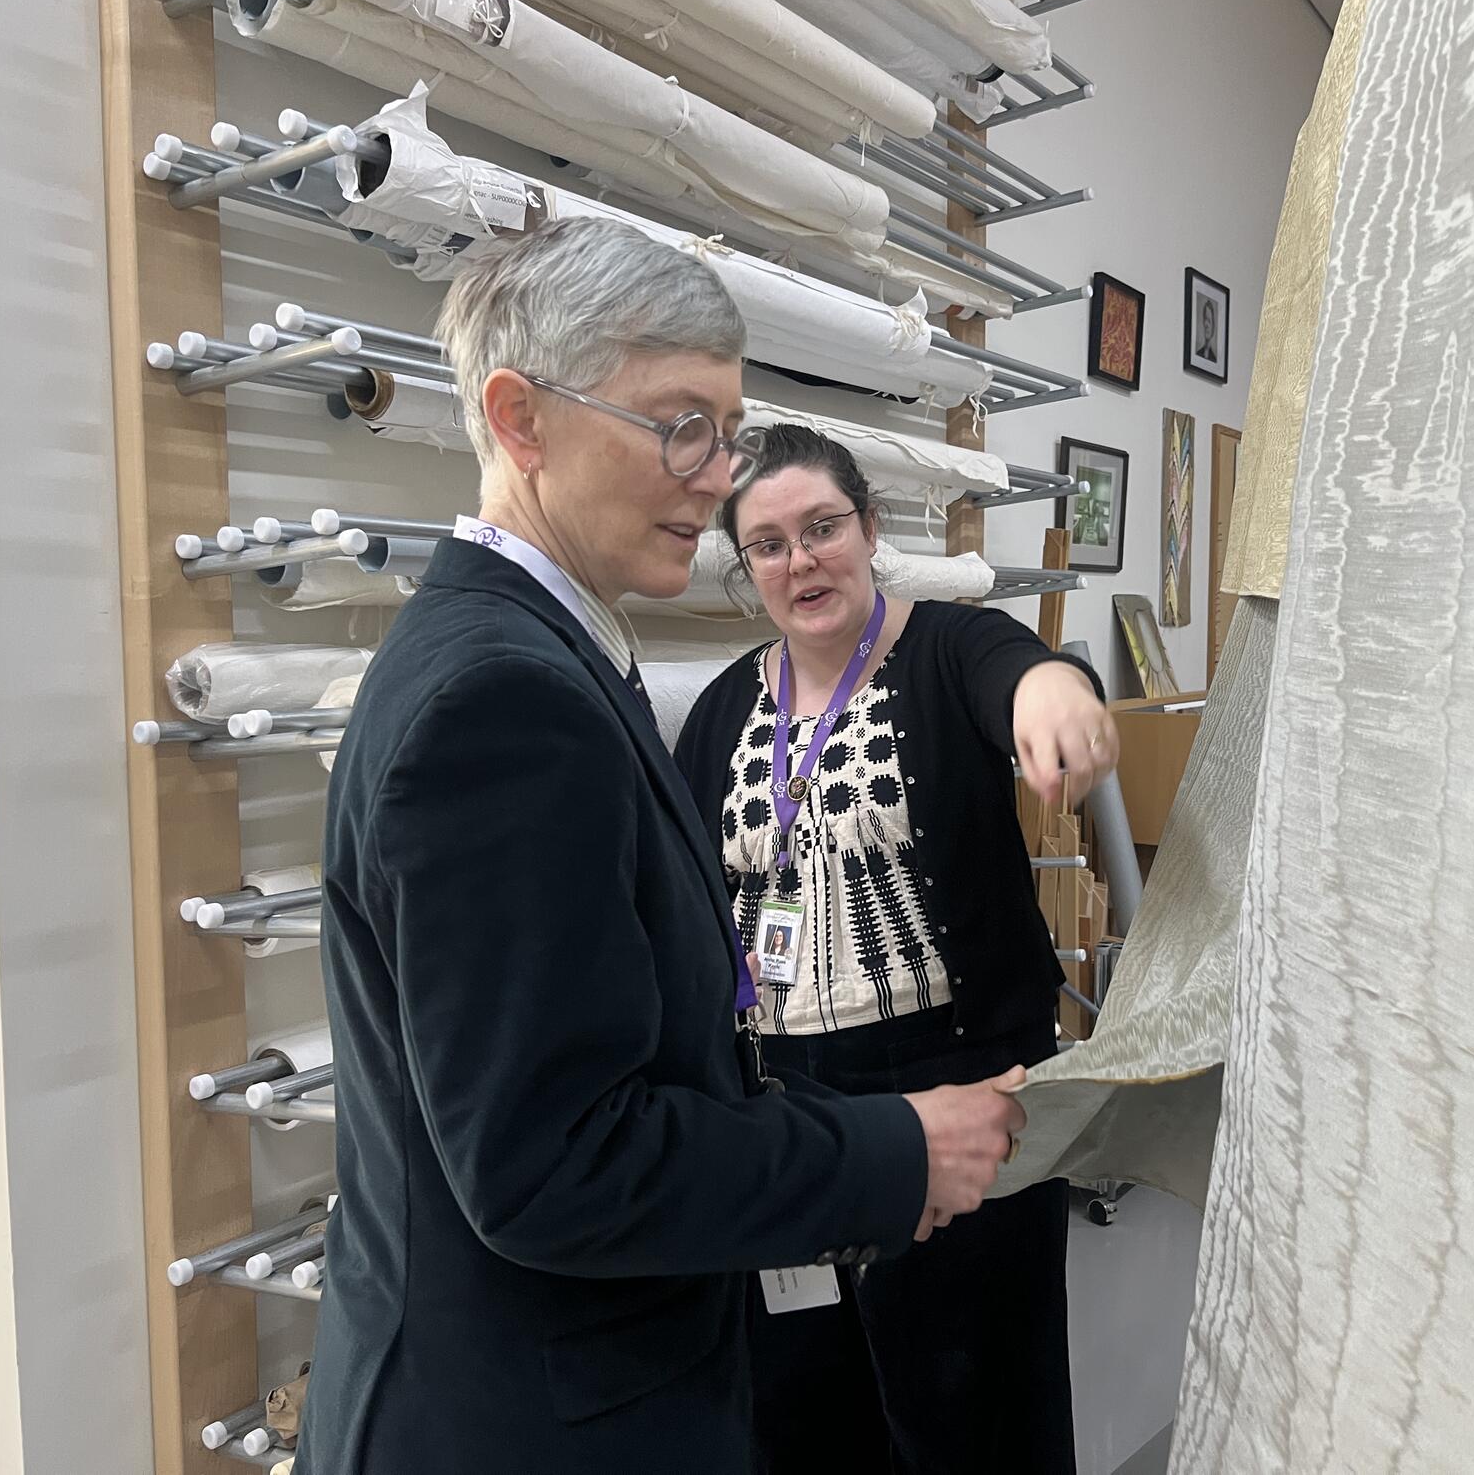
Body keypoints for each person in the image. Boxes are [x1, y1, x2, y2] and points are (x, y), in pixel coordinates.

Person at [296, 219, 1027, 1475]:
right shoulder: (502, 701)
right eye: (679, 424)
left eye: (725, 433)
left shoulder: (546, 659)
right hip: (532, 1424)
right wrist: (899, 1149)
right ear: (520, 419)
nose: (715, 475)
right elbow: (556, 1165)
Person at [674, 425, 1121, 1474]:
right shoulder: (724, 710)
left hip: (964, 1098)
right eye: (769, 545)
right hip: (789, 1112)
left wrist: (1053, 696)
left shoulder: (947, 648)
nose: (801, 562)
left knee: (973, 1416)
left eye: (821, 528)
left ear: (870, 530)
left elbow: (1017, 674)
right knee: (808, 1420)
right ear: (749, 572)